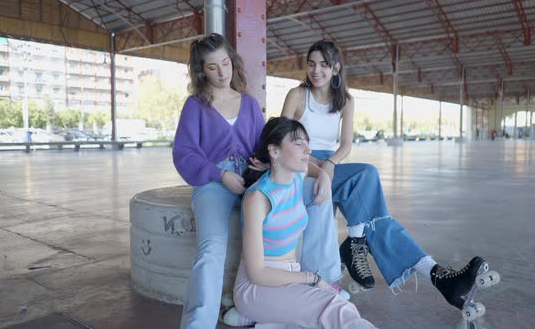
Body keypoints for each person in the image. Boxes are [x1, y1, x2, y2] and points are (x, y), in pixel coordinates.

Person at [281, 39, 488, 312]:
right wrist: (320, 166)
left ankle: (427, 270)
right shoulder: (297, 95)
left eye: (324, 64)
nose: (316, 70)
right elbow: (281, 138)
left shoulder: (345, 100)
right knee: (366, 177)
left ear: (336, 68)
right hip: (300, 165)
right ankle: (422, 270)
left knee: (368, 184)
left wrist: (330, 164)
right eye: (311, 64)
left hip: (327, 165)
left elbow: (345, 144)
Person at [172, 33, 342, 329]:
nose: (222, 72)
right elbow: (184, 153)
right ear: (201, 71)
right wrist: (221, 175)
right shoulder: (195, 106)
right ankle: (198, 323)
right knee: (212, 247)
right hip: (213, 183)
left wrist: (321, 173)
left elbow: (267, 144)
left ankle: (320, 285)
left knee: (316, 199)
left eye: (225, 63)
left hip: (255, 178)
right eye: (212, 67)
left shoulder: (249, 104)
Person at [233, 116, 378, 328]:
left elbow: (311, 167)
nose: (307, 149)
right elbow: (257, 273)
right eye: (298, 143)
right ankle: (258, 312)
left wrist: (324, 176)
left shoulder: (296, 175)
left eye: (307, 142)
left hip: (290, 277)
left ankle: (267, 318)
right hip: (257, 287)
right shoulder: (258, 199)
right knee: (336, 308)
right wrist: (314, 279)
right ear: (274, 151)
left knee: (326, 313)